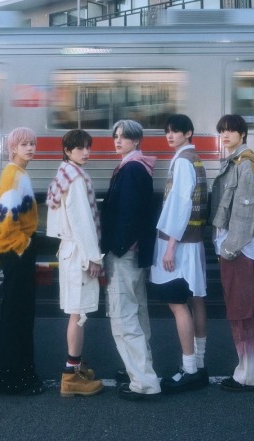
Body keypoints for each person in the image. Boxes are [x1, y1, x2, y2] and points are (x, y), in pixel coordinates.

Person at [100, 119, 161, 401]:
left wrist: (118, 247)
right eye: (116, 136)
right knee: (137, 314)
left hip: (124, 254)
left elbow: (129, 213)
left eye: (124, 137)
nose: (118, 140)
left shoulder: (132, 168)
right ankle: (140, 370)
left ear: (136, 140)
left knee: (124, 318)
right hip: (134, 253)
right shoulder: (136, 167)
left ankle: (144, 382)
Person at [150, 114, 208, 394]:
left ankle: (189, 369)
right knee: (196, 300)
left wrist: (170, 247)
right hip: (193, 242)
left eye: (175, 131)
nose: (170, 136)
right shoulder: (194, 159)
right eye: (168, 131)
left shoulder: (183, 161)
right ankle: (199, 363)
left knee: (177, 304)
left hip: (180, 244)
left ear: (188, 133)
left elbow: (181, 204)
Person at [210, 114, 254, 392]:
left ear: (242, 134)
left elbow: (246, 213)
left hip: (238, 250)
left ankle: (249, 375)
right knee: (246, 311)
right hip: (237, 248)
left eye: (231, 131)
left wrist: (228, 248)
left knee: (241, 312)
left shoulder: (245, 164)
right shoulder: (237, 161)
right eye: (222, 131)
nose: (225, 135)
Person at [46, 129, 104, 397]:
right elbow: (82, 223)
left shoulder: (63, 174)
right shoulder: (76, 179)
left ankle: (75, 367)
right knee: (78, 315)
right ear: (67, 151)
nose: (86, 152)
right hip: (79, 253)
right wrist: (94, 257)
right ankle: (71, 375)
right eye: (80, 148)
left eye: (88, 147)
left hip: (68, 250)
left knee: (75, 313)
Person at [0, 127, 43, 396]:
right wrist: (24, 246)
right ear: (12, 148)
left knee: (18, 315)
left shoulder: (18, 173)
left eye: (32, 143)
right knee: (18, 317)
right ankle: (15, 378)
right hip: (16, 254)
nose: (30, 148)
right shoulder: (13, 174)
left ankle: (17, 376)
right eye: (24, 144)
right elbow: (7, 220)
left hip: (16, 253)